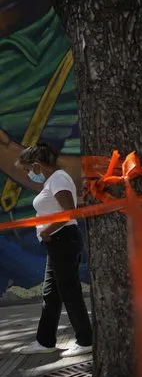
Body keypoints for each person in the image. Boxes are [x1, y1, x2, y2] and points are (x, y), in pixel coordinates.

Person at [17, 143, 92, 357]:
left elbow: (69, 211)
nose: (28, 174)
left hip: (62, 240)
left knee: (69, 290)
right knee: (51, 293)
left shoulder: (58, 179)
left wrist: (46, 231)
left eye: (27, 169)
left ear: (37, 165)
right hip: (56, 242)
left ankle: (86, 339)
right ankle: (45, 341)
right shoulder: (53, 180)